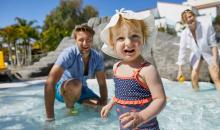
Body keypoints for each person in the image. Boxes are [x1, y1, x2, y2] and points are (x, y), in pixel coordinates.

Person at [100, 9, 166, 130]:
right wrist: (111, 104)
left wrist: (141, 116)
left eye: (134, 36)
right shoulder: (117, 67)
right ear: (112, 43)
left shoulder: (146, 70)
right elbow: (120, 94)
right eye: (120, 38)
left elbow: (160, 99)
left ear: (144, 39)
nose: (129, 42)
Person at [44, 24, 108, 121]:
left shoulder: (97, 57)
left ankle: (80, 101)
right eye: (81, 40)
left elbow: (102, 83)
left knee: (100, 107)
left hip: (82, 89)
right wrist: (50, 119)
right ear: (75, 39)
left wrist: (104, 103)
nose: (85, 43)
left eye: (89, 40)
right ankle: (70, 110)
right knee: (75, 84)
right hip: (62, 90)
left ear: (92, 40)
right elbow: (50, 82)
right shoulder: (68, 53)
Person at [176, 9, 220, 91]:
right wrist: (180, 70)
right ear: (184, 21)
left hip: (209, 52)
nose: (189, 19)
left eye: (190, 16)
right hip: (196, 54)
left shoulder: (206, 27)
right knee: (193, 76)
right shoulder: (184, 34)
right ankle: (197, 96)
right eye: (186, 19)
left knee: (216, 76)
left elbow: (213, 45)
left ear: (194, 16)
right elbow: (182, 51)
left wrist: (214, 61)